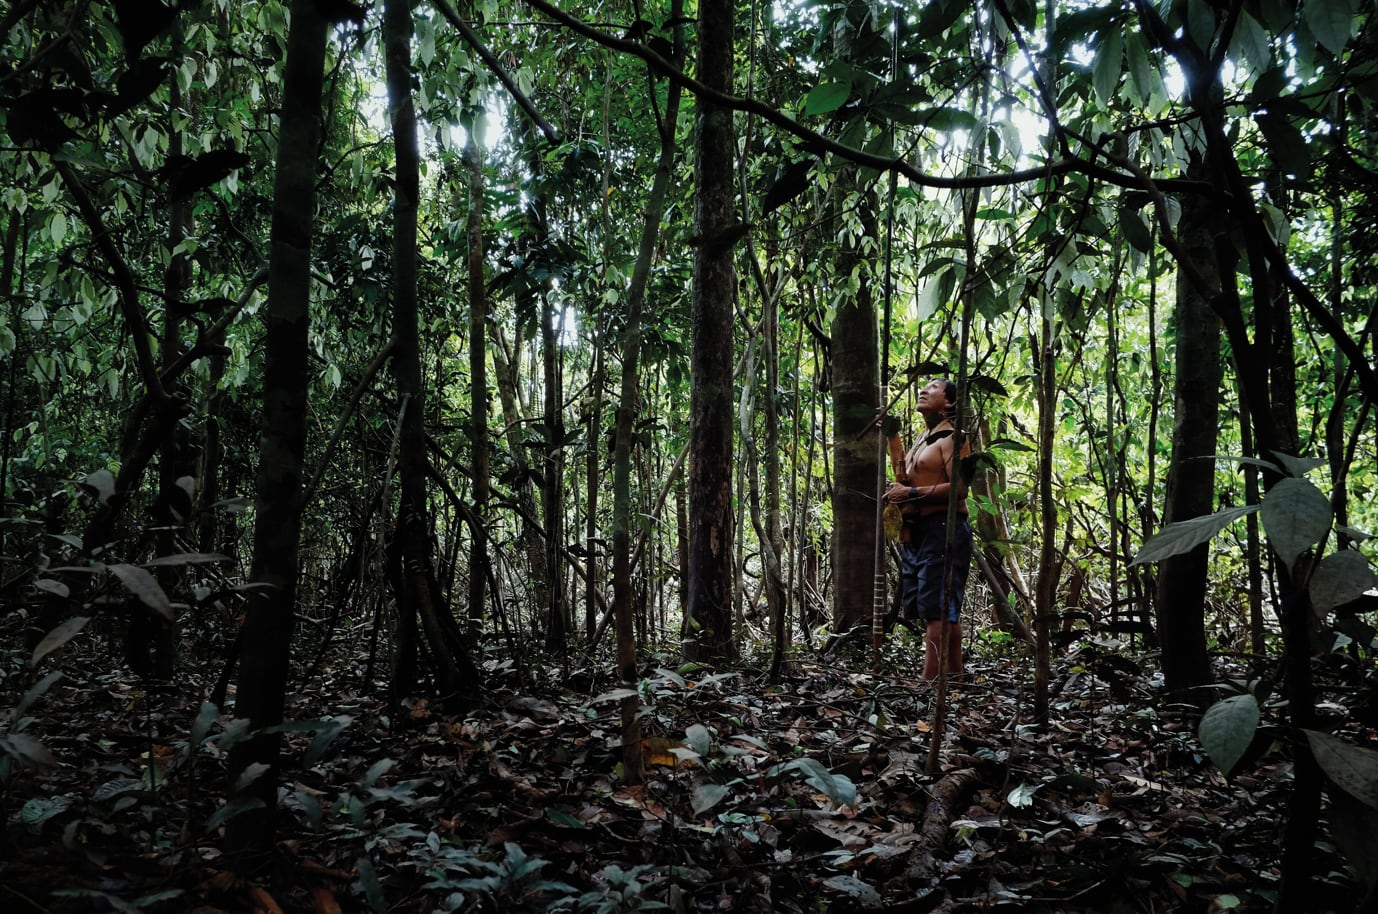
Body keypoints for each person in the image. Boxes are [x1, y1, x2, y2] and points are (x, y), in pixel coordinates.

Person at [884, 379, 973, 680]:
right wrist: (892, 437)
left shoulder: (954, 438)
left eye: (933, 387)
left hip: (944, 528)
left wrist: (909, 494)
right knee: (939, 609)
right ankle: (956, 678)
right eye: (924, 386)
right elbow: (906, 478)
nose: (924, 390)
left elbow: (959, 489)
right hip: (919, 531)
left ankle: (929, 682)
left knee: (939, 609)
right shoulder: (923, 439)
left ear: (949, 403)